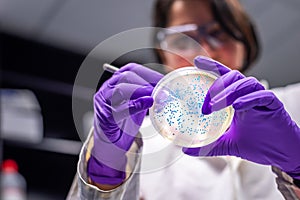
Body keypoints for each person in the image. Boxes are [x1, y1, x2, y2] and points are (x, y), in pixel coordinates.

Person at [67, 0, 300, 199]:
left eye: (218, 33)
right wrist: (106, 169)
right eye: (181, 40)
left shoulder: (295, 105)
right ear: (162, 53)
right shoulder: (141, 142)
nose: (203, 51)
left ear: (245, 44)